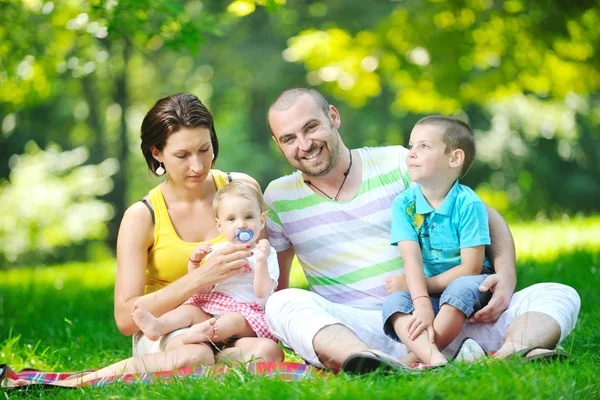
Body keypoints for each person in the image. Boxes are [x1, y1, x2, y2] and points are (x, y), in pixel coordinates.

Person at [263, 87, 580, 373]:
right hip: (357, 329)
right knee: (283, 304)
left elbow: (482, 214)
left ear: (333, 117)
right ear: (278, 144)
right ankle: (369, 361)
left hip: (443, 316)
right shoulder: (278, 198)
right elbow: (278, 284)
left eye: (311, 127)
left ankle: (510, 353)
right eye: (289, 138)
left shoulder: (396, 164)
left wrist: (506, 276)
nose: (304, 145)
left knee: (558, 293)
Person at [12, 93, 283, 387]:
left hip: (235, 323)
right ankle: (82, 381)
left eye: (205, 149)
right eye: (182, 155)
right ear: (157, 153)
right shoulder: (143, 216)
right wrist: (199, 278)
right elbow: (126, 319)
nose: (197, 165)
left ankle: (203, 368)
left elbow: (263, 275)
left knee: (268, 353)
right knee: (195, 356)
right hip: (170, 328)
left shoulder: (240, 191)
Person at [382, 116, 494, 366]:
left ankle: (410, 360)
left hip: (470, 285)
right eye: (411, 146)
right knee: (394, 303)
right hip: (430, 290)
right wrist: (420, 301)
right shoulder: (404, 204)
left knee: (459, 289)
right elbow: (410, 259)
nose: (411, 154)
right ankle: (434, 359)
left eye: (424, 147)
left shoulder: (469, 203)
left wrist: (419, 288)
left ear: (454, 158)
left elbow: (471, 268)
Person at [132, 181, 279, 345]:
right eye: (231, 219)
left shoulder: (266, 253)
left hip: (246, 315)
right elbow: (203, 287)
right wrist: (194, 263)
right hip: (214, 307)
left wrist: (260, 262)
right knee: (189, 311)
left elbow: (262, 292)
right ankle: (158, 326)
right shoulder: (218, 252)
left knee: (232, 320)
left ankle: (204, 335)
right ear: (219, 225)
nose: (241, 224)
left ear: (262, 220)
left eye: (249, 217)